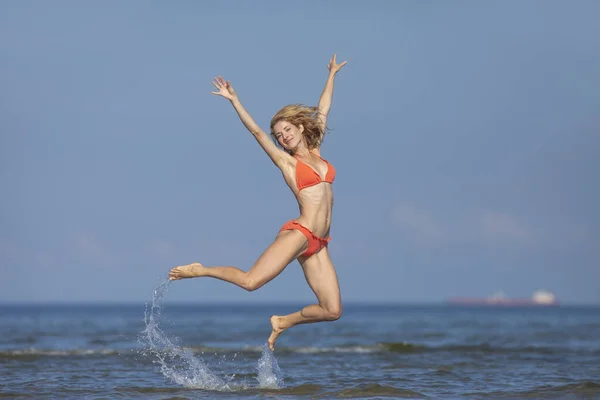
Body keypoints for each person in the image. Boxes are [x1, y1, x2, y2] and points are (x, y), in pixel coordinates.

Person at [169, 53, 347, 351]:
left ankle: (282, 322)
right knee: (251, 282)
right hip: (300, 234)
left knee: (332, 310)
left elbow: (324, 109)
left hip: (320, 241)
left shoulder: (316, 150)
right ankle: (200, 269)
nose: (283, 138)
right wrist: (234, 100)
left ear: (301, 127)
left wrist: (331, 75)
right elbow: (255, 132)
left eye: (287, 130)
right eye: (279, 135)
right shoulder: (287, 164)